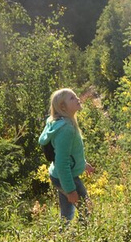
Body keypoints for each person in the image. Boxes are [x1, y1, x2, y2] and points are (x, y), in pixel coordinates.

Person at [38, 88, 95, 222]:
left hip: (59, 175)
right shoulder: (66, 130)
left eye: (76, 96)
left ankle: (64, 237)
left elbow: (71, 154)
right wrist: (70, 190)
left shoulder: (62, 123)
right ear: (63, 107)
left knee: (67, 214)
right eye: (72, 98)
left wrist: (83, 164)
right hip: (65, 175)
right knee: (86, 209)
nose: (77, 99)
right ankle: (84, 237)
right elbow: (62, 162)